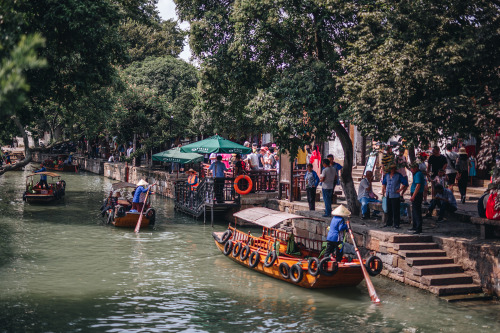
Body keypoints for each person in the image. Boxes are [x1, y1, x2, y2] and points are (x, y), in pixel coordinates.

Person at [381, 164, 409, 228]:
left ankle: (396, 223)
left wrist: (400, 189)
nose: (392, 170)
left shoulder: (398, 175)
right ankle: (389, 222)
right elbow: (384, 183)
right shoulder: (387, 175)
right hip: (388, 194)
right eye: (391, 169)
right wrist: (384, 190)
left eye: (393, 169)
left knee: (395, 210)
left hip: (395, 195)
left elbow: (405, 183)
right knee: (389, 209)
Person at [409, 162, 425, 234]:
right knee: (414, 211)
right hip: (415, 193)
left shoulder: (418, 174)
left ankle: (418, 228)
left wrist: (413, 196)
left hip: (417, 194)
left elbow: (418, 185)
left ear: (416, 168)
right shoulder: (416, 174)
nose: (411, 170)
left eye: (412, 168)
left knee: (417, 211)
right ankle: (415, 226)